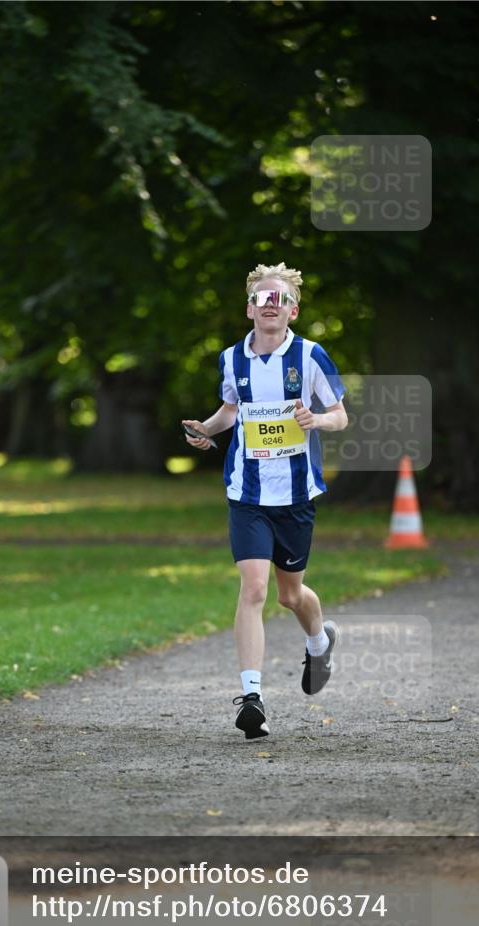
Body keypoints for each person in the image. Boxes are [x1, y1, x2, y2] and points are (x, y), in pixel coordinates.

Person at [183, 262, 348, 740]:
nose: (269, 306)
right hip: (247, 493)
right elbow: (232, 409)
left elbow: (339, 414)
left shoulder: (312, 355)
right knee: (253, 590)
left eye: (278, 300)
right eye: (261, 299)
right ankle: (251, 698)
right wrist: (206, 428)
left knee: (289, 594)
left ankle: (319, 642)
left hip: (295, 496)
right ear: (250, 307)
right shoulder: (232, 358)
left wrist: (317, 421)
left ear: (292, 310)